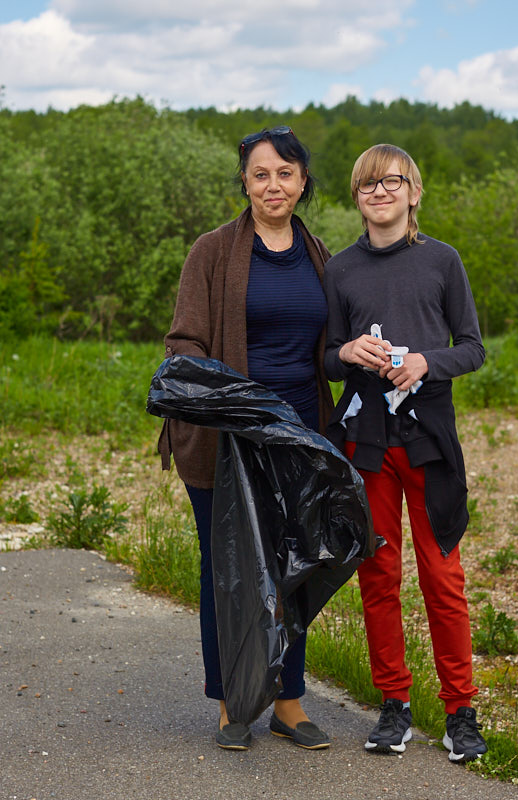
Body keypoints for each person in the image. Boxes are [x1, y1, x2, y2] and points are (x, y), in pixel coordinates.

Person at [158, 126, 334, 752]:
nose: (273, 185)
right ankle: (234, 701)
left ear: (303, 181)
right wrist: (241, 404)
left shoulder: (320, 255)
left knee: (294, 569)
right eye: (261, 174)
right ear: (245, 182)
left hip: (298, 439)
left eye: (285, 173)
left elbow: (330, 348)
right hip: (226, 443)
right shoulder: (212, 252)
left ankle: (288, 702)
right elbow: (184, 343)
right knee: (229, 574)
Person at [322, 144, 489, 763]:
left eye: (392, 181)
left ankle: (460, 711)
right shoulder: (340, 270)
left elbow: (472, 347)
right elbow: (326, 358)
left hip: (429, 442)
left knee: (443, 579)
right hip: (366, 445)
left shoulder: (442, 261)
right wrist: (346, 354)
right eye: (368, 184)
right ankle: (394, 705)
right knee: (379, 576)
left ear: (414, 192)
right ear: (357, 197)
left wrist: (425, 362)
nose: (380, 192)